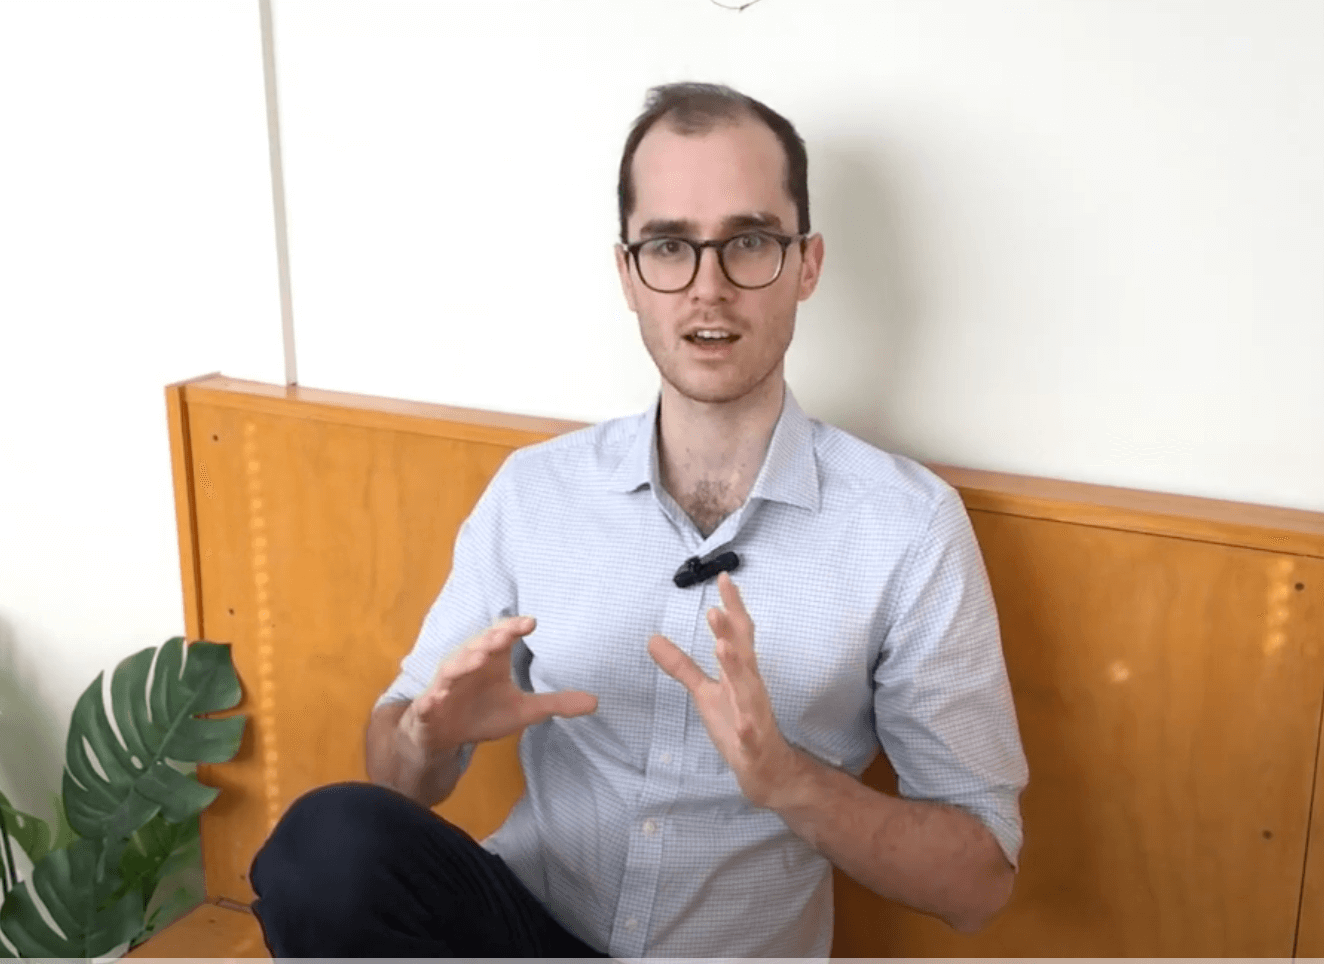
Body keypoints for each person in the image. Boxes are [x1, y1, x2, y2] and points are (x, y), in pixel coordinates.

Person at [248, 81, 1029, 959]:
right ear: (628, 274)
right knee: (327, 844)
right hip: (528, 930)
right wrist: (427, 735)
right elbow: (397, 775)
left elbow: (980, 880)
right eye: (669, 246)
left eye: (748, 242)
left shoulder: (908, 528)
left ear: (807, 263)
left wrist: (785, 781)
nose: (709, 287)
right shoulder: (535, 492)